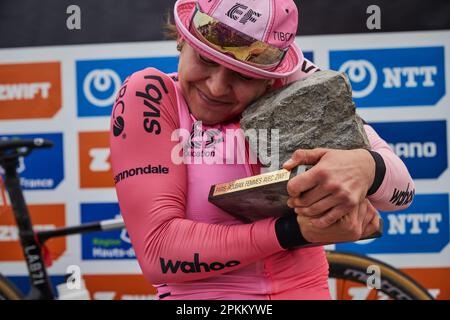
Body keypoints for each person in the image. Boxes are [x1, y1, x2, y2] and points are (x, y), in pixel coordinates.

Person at [109, 0, 415, 300]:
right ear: (182, 37)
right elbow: (158, 253)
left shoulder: (291, 80)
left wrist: (366, 168)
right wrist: (296, 231)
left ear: (272, 74)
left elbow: (402, 192)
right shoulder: (149, 95)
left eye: (243, 74)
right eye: (206, 59)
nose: (216, 87)